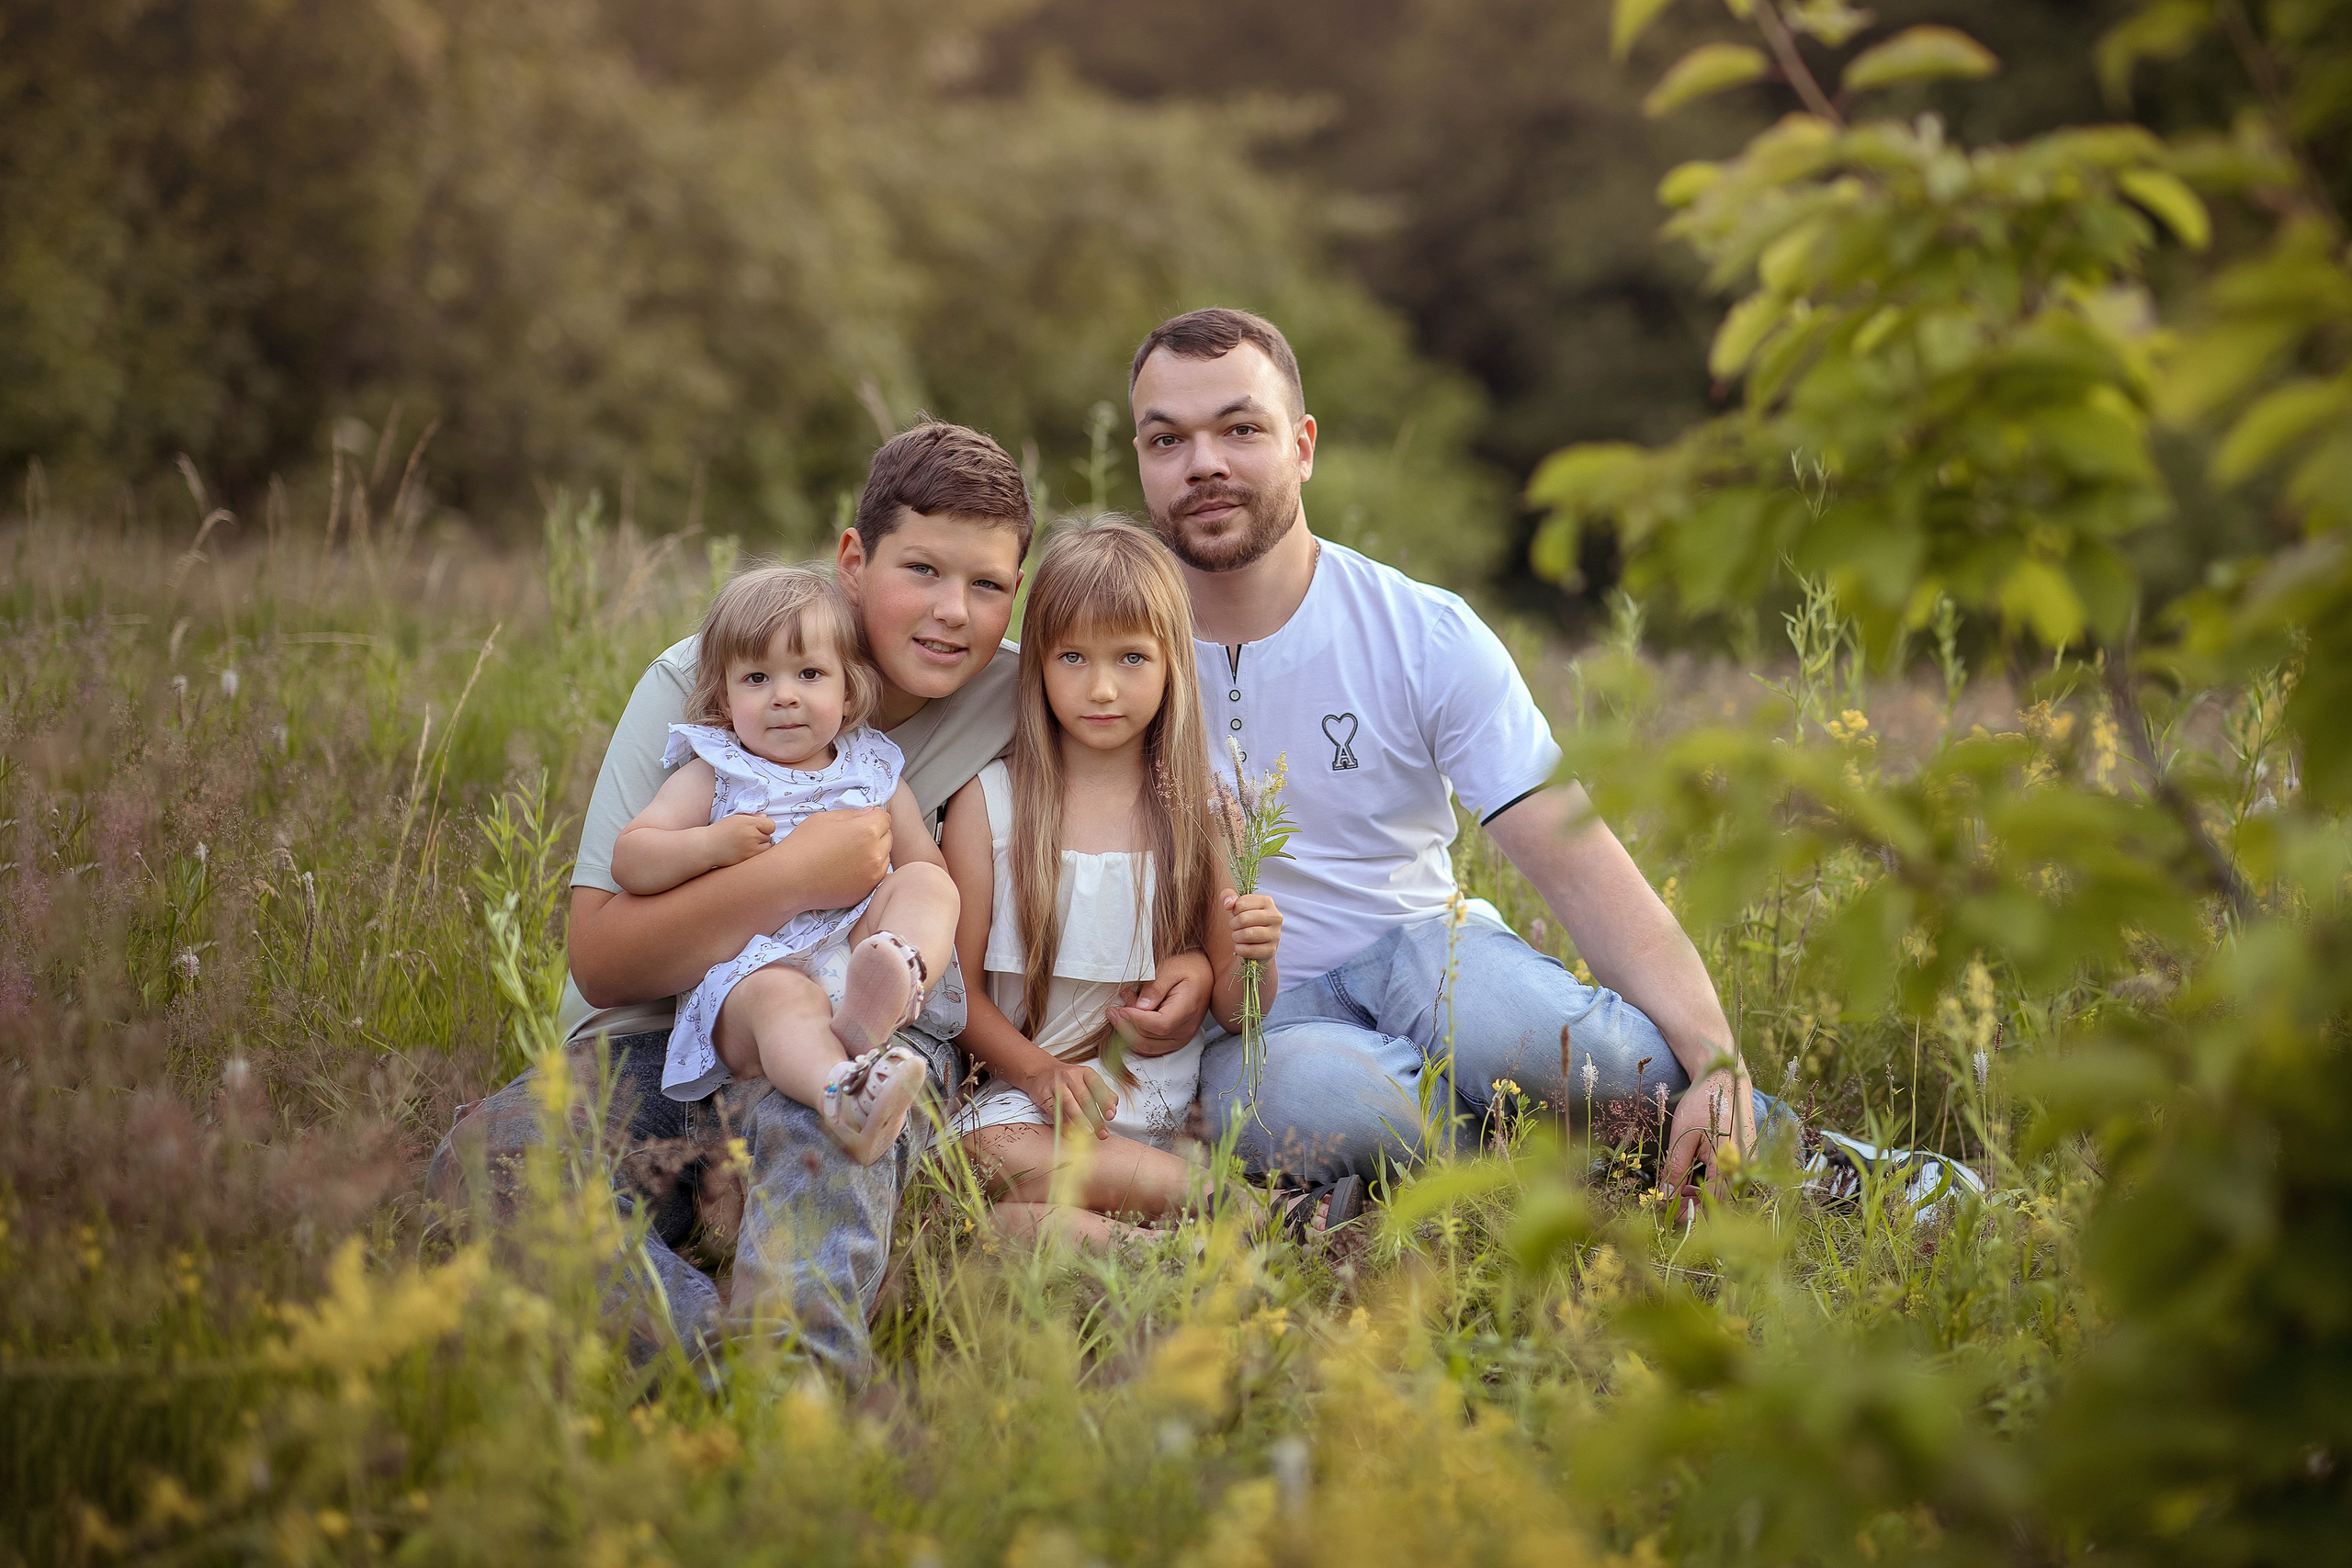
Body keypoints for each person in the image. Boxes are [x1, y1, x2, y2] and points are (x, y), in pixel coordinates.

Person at [1126, 307, 1983, 1214]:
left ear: (1302, 447)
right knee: (1327, 1099)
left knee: (1524, 1028)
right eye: (1167, 439)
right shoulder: (1101, 659)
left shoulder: (1421, 633)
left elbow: (1577, 867)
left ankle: (1792, 1155)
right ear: (1140, 461)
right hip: (1253, 1023)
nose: (1203, 463)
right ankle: (1596, 1177)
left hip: (1426, 961)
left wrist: (1717, 1060)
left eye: (1239, 429)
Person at [428, 422, 1217, 1382]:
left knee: (838, 1112)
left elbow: (1155, 768)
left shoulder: (1030, 687)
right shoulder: (715, 679)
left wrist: (1194, 954)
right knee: (490, 1168)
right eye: (920, 570)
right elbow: (601, 959)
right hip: (660, 1039)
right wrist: (795, 875)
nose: (952, 612)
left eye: (987, 585)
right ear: (853, 559)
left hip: (869, 1022)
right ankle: (725, 1374)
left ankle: (796, 1370)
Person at [938, 518, 1289, 1248]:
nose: (1102, 688)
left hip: (1151, 1104)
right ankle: (1189, 1250)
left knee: (989, 1187)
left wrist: (1257, 953)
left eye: (1132, 657)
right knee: (985, 1210)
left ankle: (1237, 1208)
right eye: (1073, 656)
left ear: (1171, 665)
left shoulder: (1202, 813)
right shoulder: (990, 804)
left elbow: (1237, 1010)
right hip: (1027, 1103)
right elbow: (958, 996)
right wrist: (1037, 1072)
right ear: (1038, 662)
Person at [610, 565, 957, 1161]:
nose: (785, 695)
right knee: (782, 998)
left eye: (810, 674)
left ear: (849, 690)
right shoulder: (718, 772)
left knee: (929, 882)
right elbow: (631, 858)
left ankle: (892, 979)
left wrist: (901, 912)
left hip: (855, 950)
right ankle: (841, 1095)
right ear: (724, 697)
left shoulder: (872, 768)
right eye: (757, 678)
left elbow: (925, 867)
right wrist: (709, 845)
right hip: (754, 972)